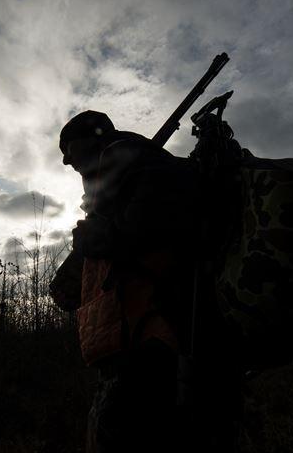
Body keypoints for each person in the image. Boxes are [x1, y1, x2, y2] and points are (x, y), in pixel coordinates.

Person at [50, 110, 242, 452]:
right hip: (133, 345)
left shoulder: (140, 162)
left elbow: (155, 226)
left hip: (162, 339)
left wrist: (100, 239)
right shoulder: (115, 182)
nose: (66, 160)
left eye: (69, 148)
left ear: (93, 138)